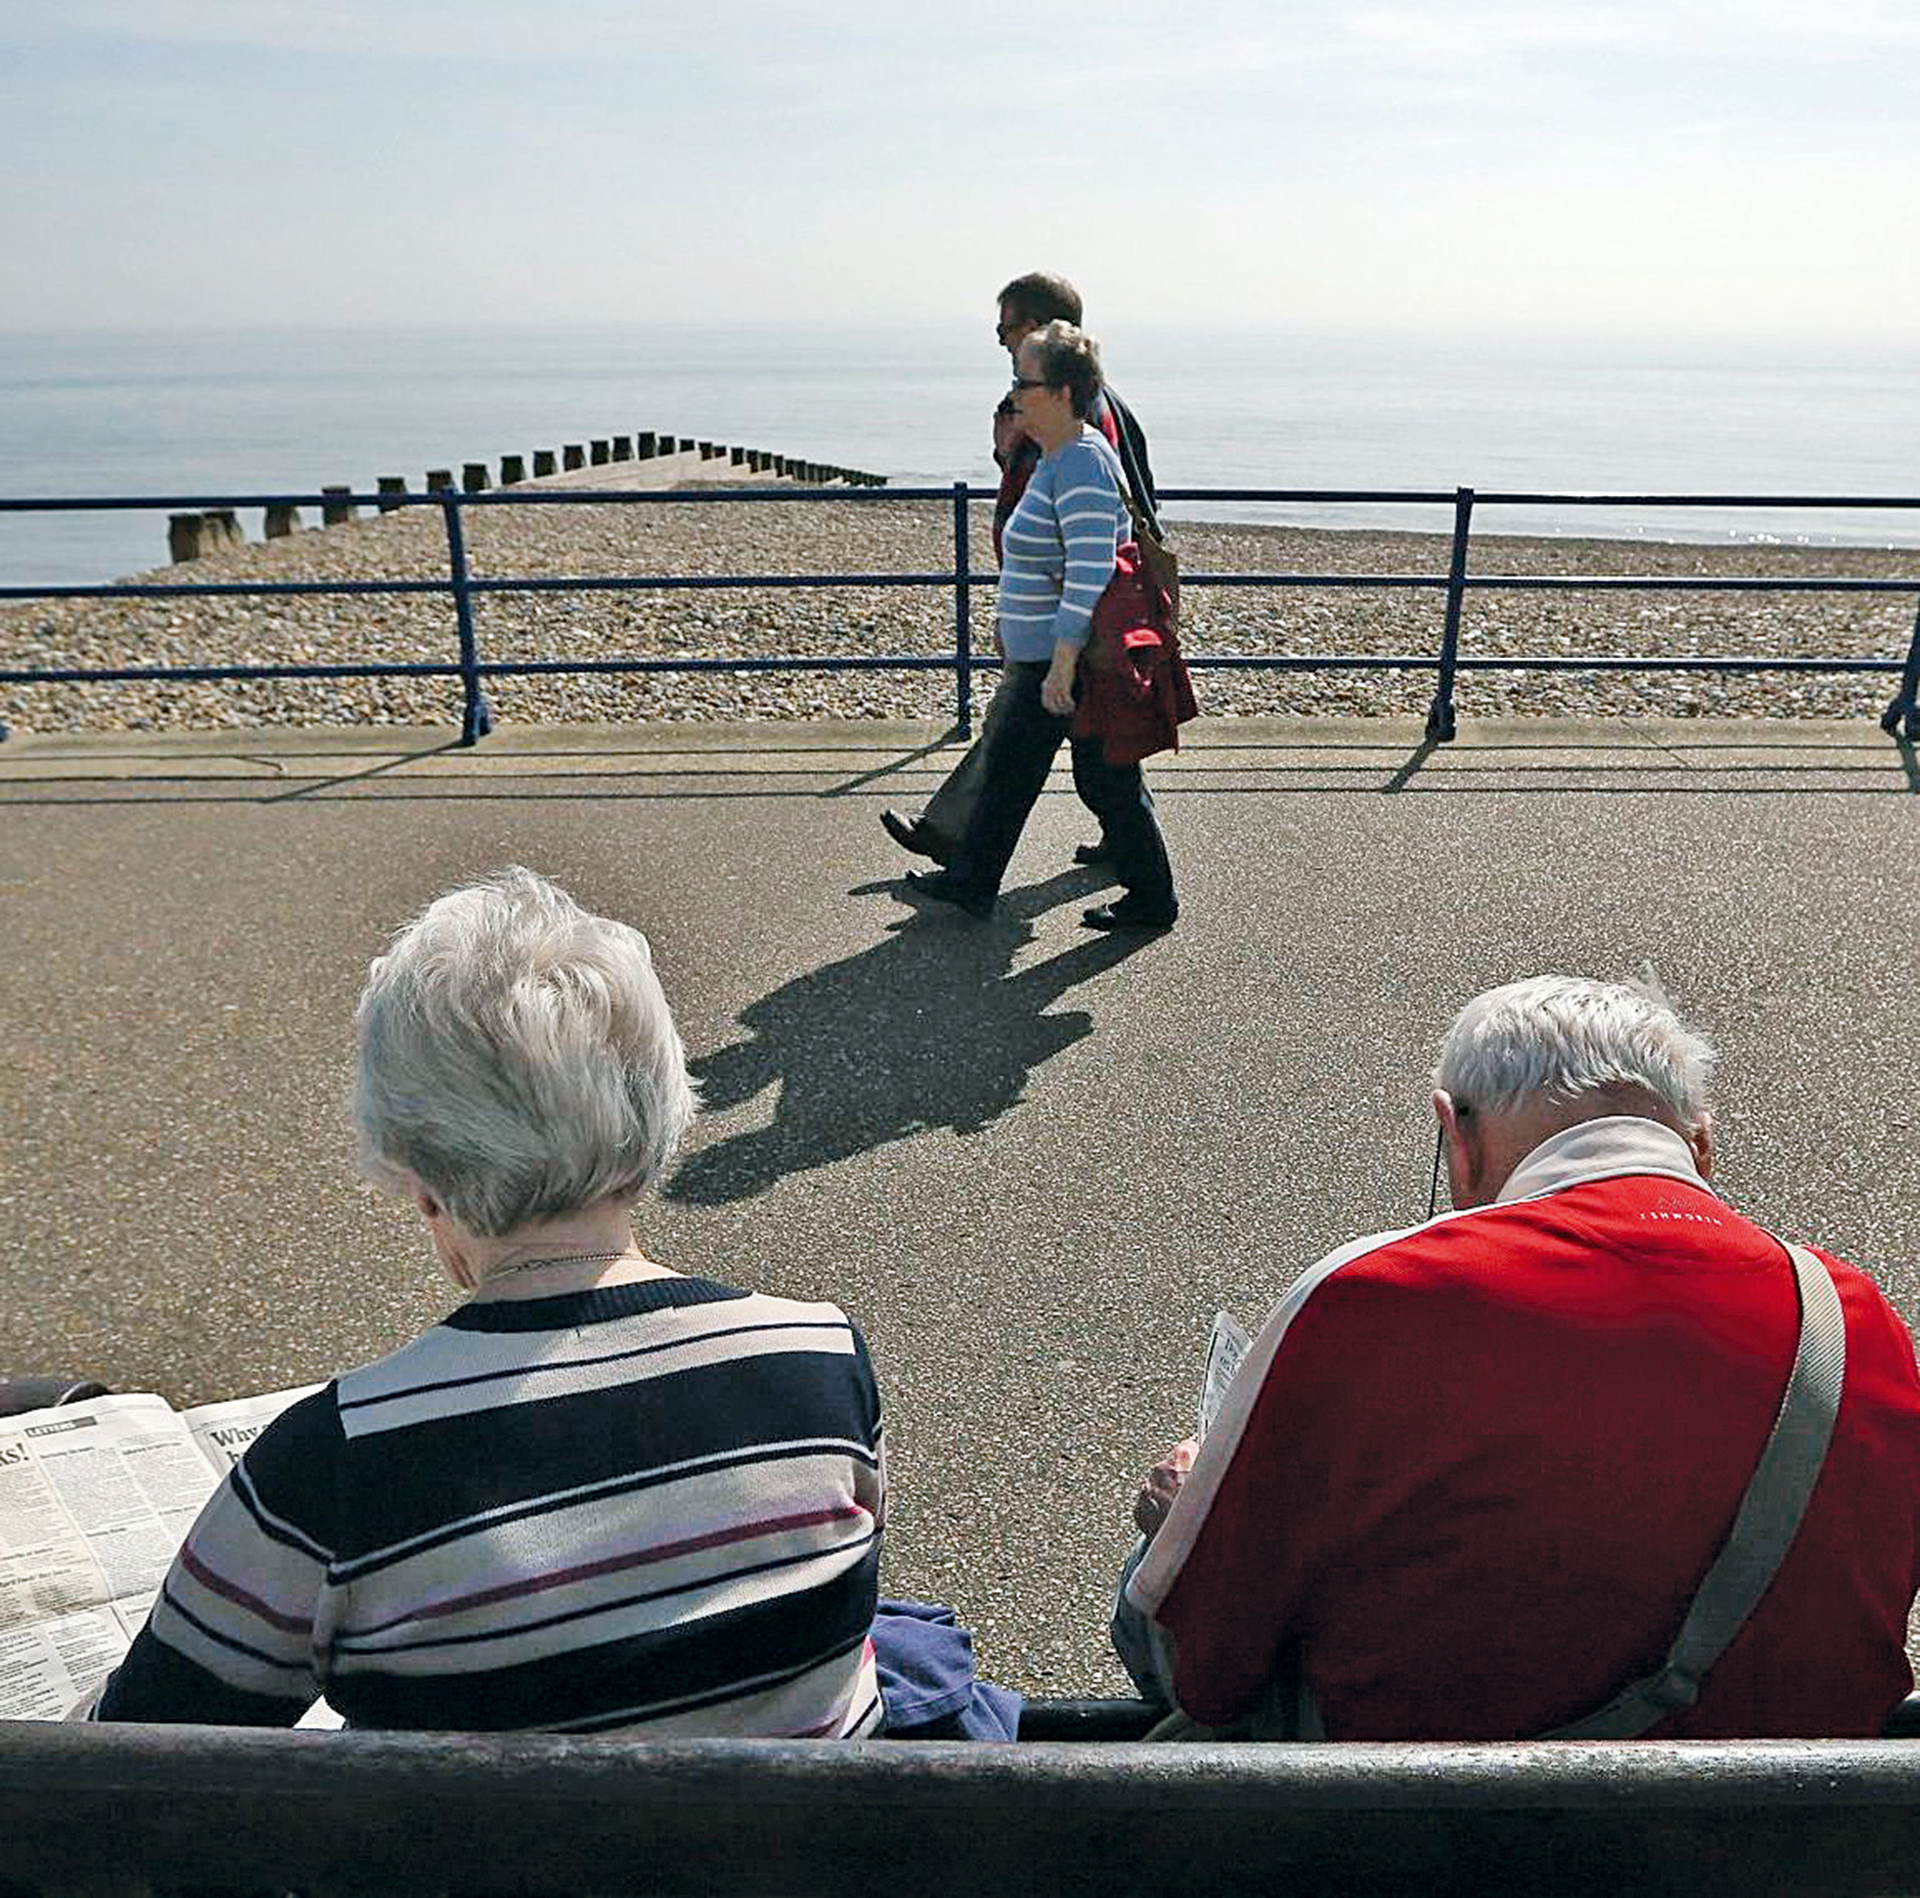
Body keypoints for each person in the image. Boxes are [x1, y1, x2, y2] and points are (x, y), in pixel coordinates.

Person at [93, 867, 888, 1737]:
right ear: (657, 1117)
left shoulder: (333, 1466)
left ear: (423, 1182)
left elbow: (142, 1755)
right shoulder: (817, 1354)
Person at [1116, 974, 1920, 1739]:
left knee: (1155, 1578)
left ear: (1456, 1136)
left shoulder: (1375, 1293)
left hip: (1431, 1833)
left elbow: (1210, 1677)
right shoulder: (1853, 1317)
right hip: (1794, 1831)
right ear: (1700, 1147)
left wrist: (1190, 1508)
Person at [901, 323, 1177, 931]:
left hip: (1067, 659)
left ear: (1062, 391)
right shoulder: (1057, 456)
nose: (1014, 395)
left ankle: (1153, 899)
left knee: (1106, 780)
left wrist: (1062, 661)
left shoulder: (1079, 462)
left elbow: (1090, 568)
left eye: (1024, 382)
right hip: (1046, 654)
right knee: (1015, 769)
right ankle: (973, 881)